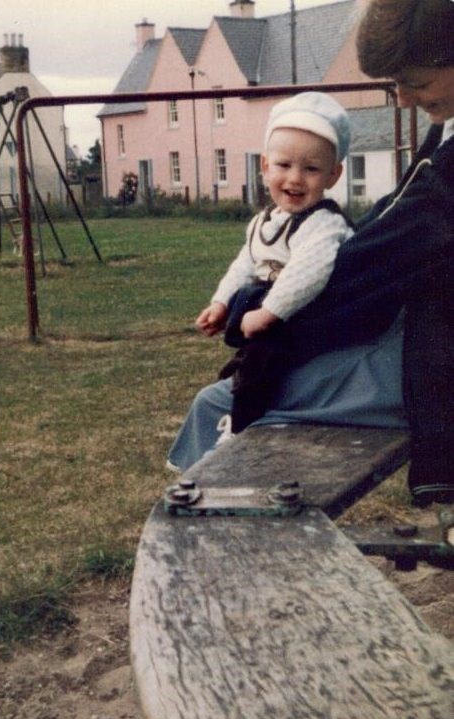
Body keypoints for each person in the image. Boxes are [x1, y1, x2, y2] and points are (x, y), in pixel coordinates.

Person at [168, 0, 454, 507]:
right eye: (396, 85)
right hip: (421, 335)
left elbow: (368, 262)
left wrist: (266, 319)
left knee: (221, 403)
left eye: (415, 81)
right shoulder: (446, 131)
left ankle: (217, 532)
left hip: (433, 360)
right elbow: (385, 228)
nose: (405, 98)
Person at [195, 91, 354, 434]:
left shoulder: (323, 223)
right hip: (276, 313)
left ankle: (241, 428)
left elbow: (308, 274)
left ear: (333, 175)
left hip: (310, 315)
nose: (295, 178)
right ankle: (246, 380)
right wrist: (220, 302)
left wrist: (269, 314)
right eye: (284, 165)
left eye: (311, 169)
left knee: (260, 365)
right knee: (254, 351)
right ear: (265, 166)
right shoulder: (265, 221)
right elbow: (244, 263)